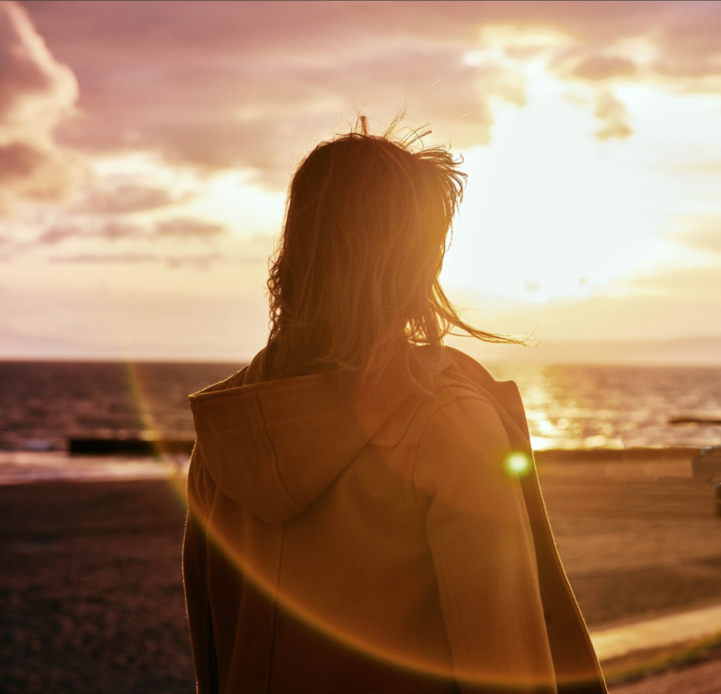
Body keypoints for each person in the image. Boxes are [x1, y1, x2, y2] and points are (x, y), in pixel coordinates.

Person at [182, 119, 608, 693]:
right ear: (417, 262)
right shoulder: (447, 422)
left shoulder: (230, 427)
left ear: (297, 253)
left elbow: (214, 649)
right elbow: (505, 664)